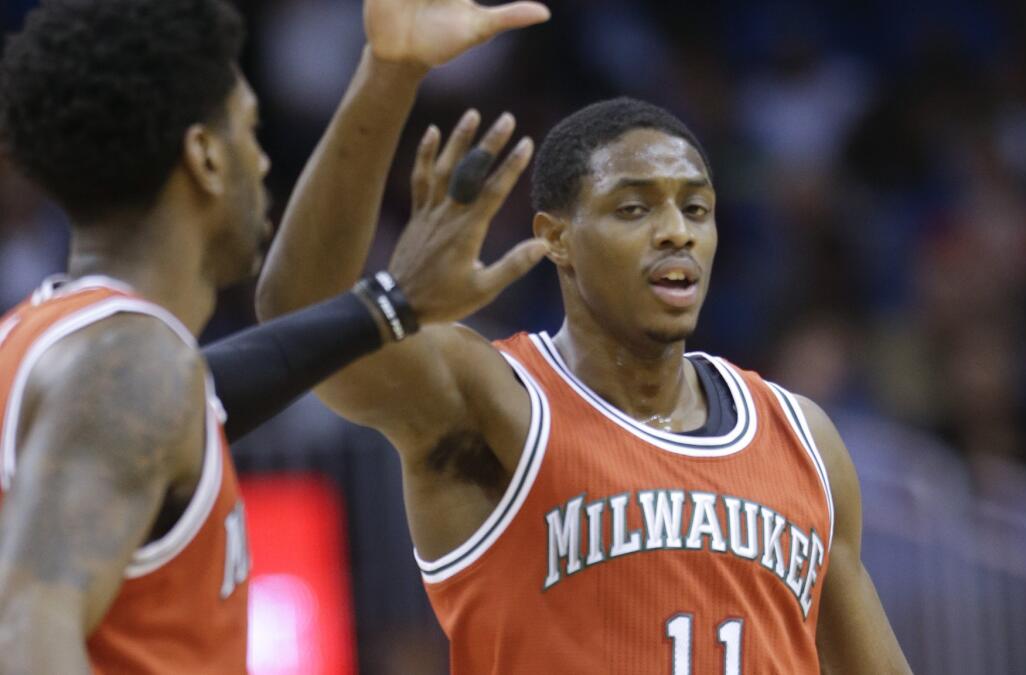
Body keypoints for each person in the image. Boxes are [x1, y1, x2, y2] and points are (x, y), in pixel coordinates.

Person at [258, 25, 913, 675]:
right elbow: (301, 321)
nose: (675, 232)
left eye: (696, 208)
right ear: (557, 240)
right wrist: (386, 76)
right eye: (634, 209)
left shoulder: (804, 441)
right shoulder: (497, 401)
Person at [0, 0, 549, 672]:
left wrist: (393, 303)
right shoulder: (128, 366)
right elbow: (25, 629)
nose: (262, 163)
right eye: (248, 131)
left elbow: (212, 393)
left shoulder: (63, 349)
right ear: (204, 156)